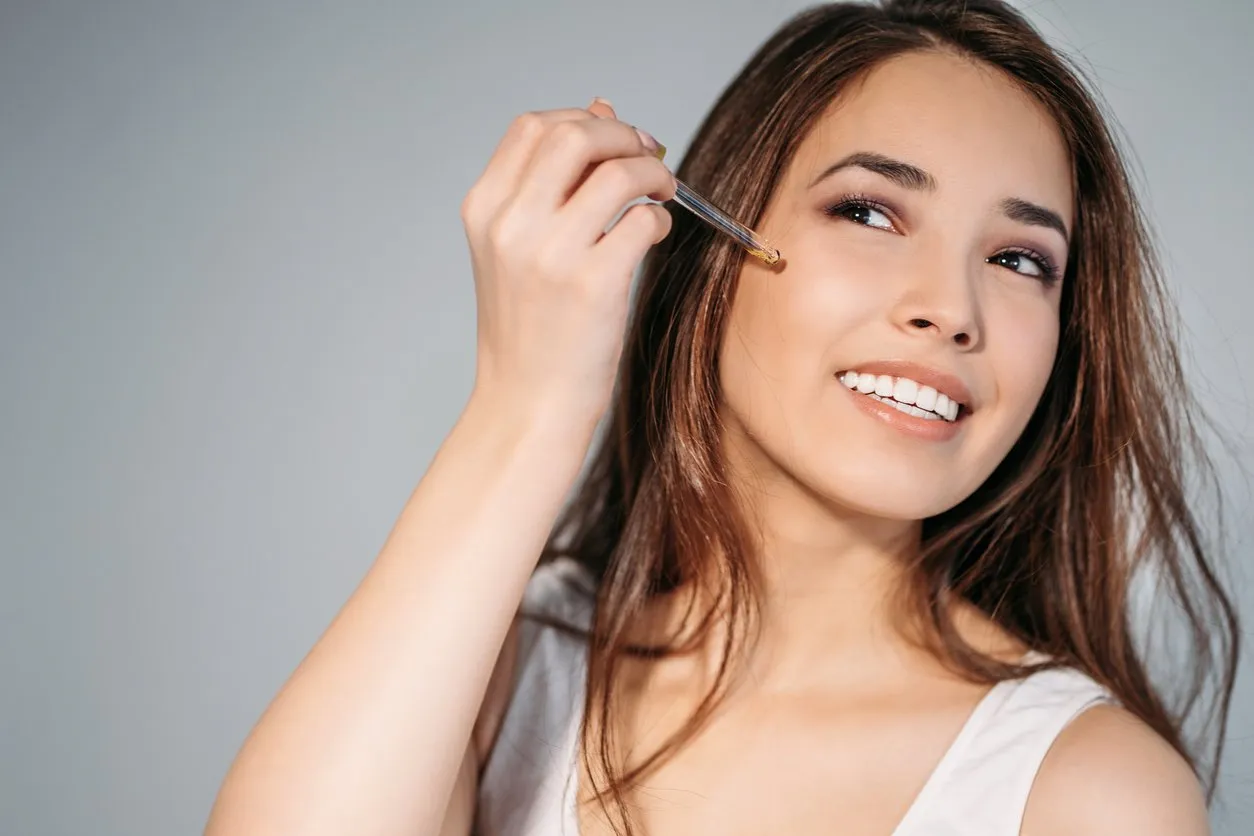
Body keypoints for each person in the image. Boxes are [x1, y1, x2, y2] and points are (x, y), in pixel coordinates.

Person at [205, 1, 1240, 834]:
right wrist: (526, 404)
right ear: (713, 257)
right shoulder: (501, 671)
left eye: (1020, 260)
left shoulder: (1092, 794)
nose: (951, 309)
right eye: (870, 211)